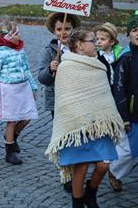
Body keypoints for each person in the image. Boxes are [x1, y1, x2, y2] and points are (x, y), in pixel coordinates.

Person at [45, 28, 123, 208]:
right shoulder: (66, 66)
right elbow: (66, 101)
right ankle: (78, 202)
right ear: (79, 45)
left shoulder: (98, 64)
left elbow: (103, 96)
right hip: (76, 126)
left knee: (104, 164)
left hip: (97, 125)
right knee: (81, 167)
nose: (96, 43)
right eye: (91, 40)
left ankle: (91, 191)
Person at [38, 12, 80, 192]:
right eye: (60, 29)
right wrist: (50, 69)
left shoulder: (79, 48)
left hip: (77, 99)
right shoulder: (50, 51)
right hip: (58, 101)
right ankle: (67, 175)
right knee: (63, 139)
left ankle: (78, 169)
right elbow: (42, 78)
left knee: (77, 137)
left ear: (73, 30)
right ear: (54, 31)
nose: (64, 32)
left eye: (67, 29)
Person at [0, 21, 38, 165]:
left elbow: (27, 69)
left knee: (27, 117)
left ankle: (12, 136)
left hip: (23, 87)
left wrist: (33, 87)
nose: (20, 35)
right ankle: (10, 150)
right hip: (9, 89)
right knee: (13, 120)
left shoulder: (19, 48)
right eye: (17, 33)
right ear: (8, 35)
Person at [109, 12, 138, 192]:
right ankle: (114, 172)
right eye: (135, 30)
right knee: (128, 152)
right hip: (131, 114)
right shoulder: (125, 59)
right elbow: (119, 89)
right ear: (129, 34)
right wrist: (124, 117)